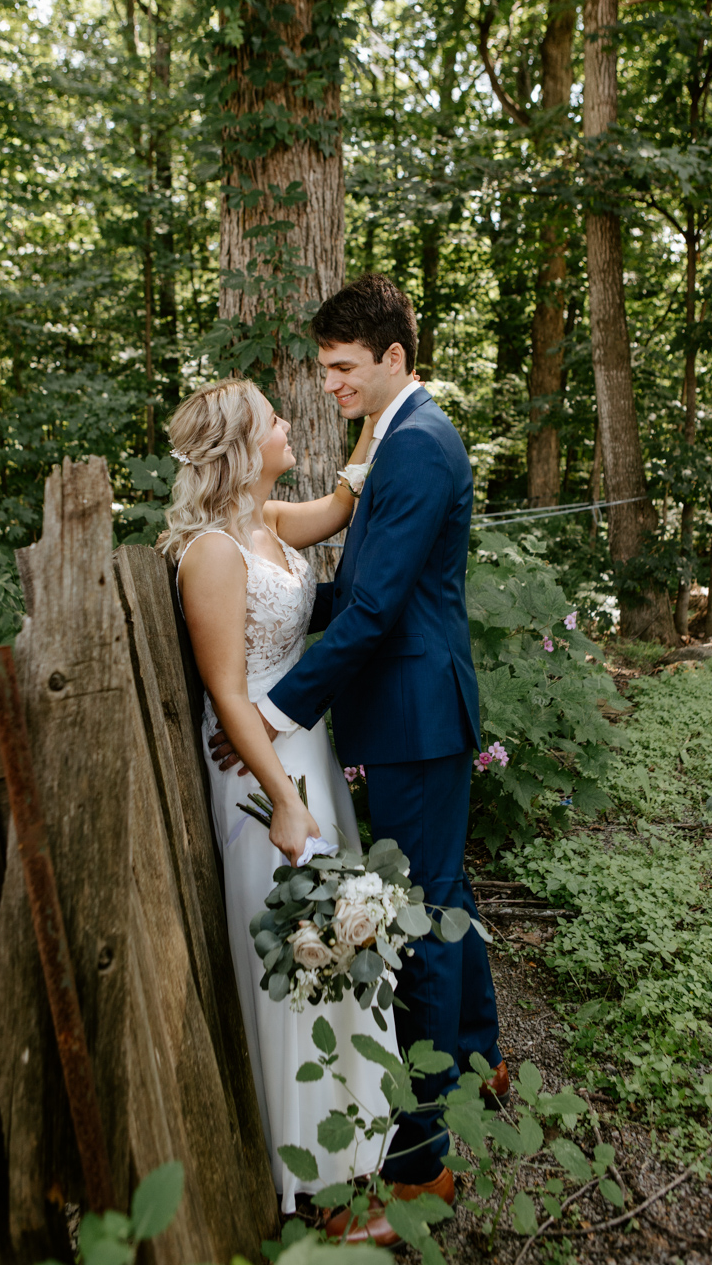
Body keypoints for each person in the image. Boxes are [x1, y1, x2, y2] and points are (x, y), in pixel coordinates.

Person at [209, 273, 508, 1246]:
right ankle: (481, 1058)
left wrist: (274, 704)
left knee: (416, 923)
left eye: (342, 368)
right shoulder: (392, 440)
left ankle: (421, 1170)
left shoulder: (418, 445)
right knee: (445, 889)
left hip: (416, 713)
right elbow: (355, 586)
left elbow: (377, 608)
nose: (329, 384)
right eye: (325, 367)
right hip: (418, 707)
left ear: (392, 357)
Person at [164, 377, 399, 1214]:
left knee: (337, 937)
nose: (287, 422)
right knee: (293, 952)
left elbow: (338, 504)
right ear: (240, 445)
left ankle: (357, 1136)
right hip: (259, 771)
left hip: (306, 747)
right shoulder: (211, 553)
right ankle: (312, 1174)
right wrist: (286, 800)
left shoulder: (263, 522)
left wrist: (383, 412)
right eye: (272, 417)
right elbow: (228, 693)